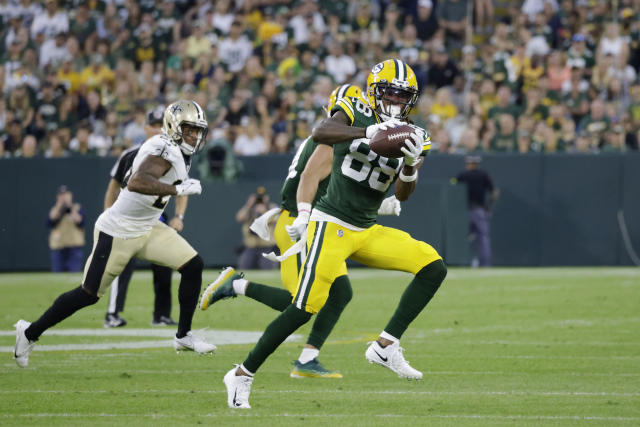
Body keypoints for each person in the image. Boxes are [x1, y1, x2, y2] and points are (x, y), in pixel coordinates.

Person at [220, 59, 447, 408]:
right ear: (374, 91)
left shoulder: (414, 133)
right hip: (332, 224)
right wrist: (365, 133)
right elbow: (322, 132)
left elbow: (402, 194)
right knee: (305, 307)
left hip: (366, 229)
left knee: (433, 266)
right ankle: (241, 374)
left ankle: (385, 346)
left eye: (403, 96)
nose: (396, 102)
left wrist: (413, 167)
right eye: (389, 93)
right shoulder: (354, 106)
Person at [201, 84, 402, 379]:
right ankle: (235, 285)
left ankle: (308, 358)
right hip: (298, 221)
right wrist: (305, 217)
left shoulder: (331, 135)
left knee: (339, 293)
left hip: (314, 221)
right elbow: (312, 181)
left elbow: (337, 187)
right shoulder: (330, 139)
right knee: (303, 302)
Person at [13, 100, 216, 368]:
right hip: (118, 231)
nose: (194, 136)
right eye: (189, 129)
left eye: (197, 130)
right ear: (174, 127)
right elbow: (136, 182)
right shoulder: (164, 150)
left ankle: (183, 336)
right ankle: (29, 333)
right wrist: (177, 191)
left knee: (193, 265)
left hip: (148, 226)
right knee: (88, 294)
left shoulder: (174, 149)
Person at [103, 106, 185, 328]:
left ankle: (161, 314)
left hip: (156, 217)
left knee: (165, 265)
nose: (159, 129)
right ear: (145, 127)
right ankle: (112, 313)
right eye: (154, 125)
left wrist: (179, 215)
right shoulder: (130, 154)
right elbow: (113, 185)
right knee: (121, 264)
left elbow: (183, 189)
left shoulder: (174, 154)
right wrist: (108, 211)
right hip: (128, 218)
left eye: (162, 125)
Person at [453, 155, 499, 267]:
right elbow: (495, 192)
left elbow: (452, 189)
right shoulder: (483, 175)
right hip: (479, 210)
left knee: (462, 237)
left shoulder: (462, 175)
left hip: (465, 211)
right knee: (483, 238)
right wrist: (489, 206)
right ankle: (485, 264)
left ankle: (461, 262)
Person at [234, 186, 278, 270]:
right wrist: (249, 205)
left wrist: (265, 211)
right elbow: (239, 217)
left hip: (267, 247)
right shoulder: (250, 208)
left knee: (268, 270)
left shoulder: (272, 207)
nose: (260, 200)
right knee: (244, 268)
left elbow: (275, 219)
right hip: (251, 247)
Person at [47, 185, 85, 272]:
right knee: (57, 277)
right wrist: (59, 205)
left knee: (74, 274)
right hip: (58, 249)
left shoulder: (77, 207)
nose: (64, 197)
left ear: (71, 195)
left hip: (74, 249)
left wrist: (70, 206)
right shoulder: (55, 209)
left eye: (66, 195)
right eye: (61, 195)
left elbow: (80, 221)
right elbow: (50, 221)